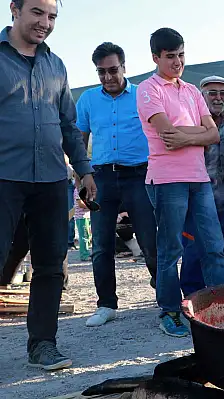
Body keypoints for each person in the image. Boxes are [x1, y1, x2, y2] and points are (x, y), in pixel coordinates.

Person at [0, 0, 97, 371]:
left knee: (51, 265)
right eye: (37, 13)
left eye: (52, 16)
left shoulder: (55, 65)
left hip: (53, 179)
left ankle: (43, 344)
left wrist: (84, 170)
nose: (45, 23)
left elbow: (68, 124)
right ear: (14, 8)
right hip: (4, 177)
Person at [137, 28, 224, 337]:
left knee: (214, 246)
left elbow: (214, 134)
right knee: (170, 249)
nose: (177, 62)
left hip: (199, 178)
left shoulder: (191, 91)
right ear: (156, 58)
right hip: (166, 180)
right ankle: (170, 309)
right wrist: (198, 135)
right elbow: (167, 136)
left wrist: (188, 135)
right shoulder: (148, 90)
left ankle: (221, 306)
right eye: (170, 57)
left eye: (181, 55)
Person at [76, 42, 159, 327]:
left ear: (124, 67)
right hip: (101, 178)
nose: (108, 77)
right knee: (100, 244)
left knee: (149, 239)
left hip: (139, 175)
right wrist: (82, 176)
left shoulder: (142, 95)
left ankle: (165, 294)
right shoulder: (87, 100)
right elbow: (79, 141)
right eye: (101, 72)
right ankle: (106, 304)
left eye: (113, 70)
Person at [180, 75, 224, 296]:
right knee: (194, 251)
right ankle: (193, 298)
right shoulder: (191, 124)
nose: (218, 98)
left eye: (222, 93)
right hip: (197, 199)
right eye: (212, 93)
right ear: (202, 95)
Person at [73, 187, 91, 262]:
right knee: (84, 236)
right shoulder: (78, 190)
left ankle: (87, 252)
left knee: (88, 235)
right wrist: (91, 206)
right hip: (81, 217)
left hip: (87, 216)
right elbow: (80, 204)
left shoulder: (86, 189)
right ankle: (84, 255)